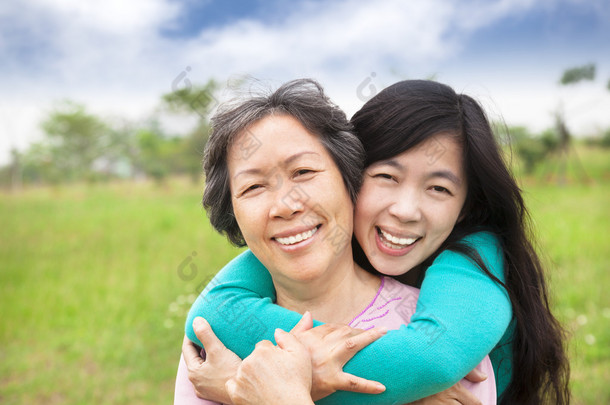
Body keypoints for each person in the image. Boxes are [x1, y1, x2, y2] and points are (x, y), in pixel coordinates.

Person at [174, 79, 497, 405]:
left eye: (303, 172)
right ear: (233, 213)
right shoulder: (214, 350)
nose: (286, 205)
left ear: (350, 180)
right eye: (253, 187)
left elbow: (435, 358)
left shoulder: (446, 338)